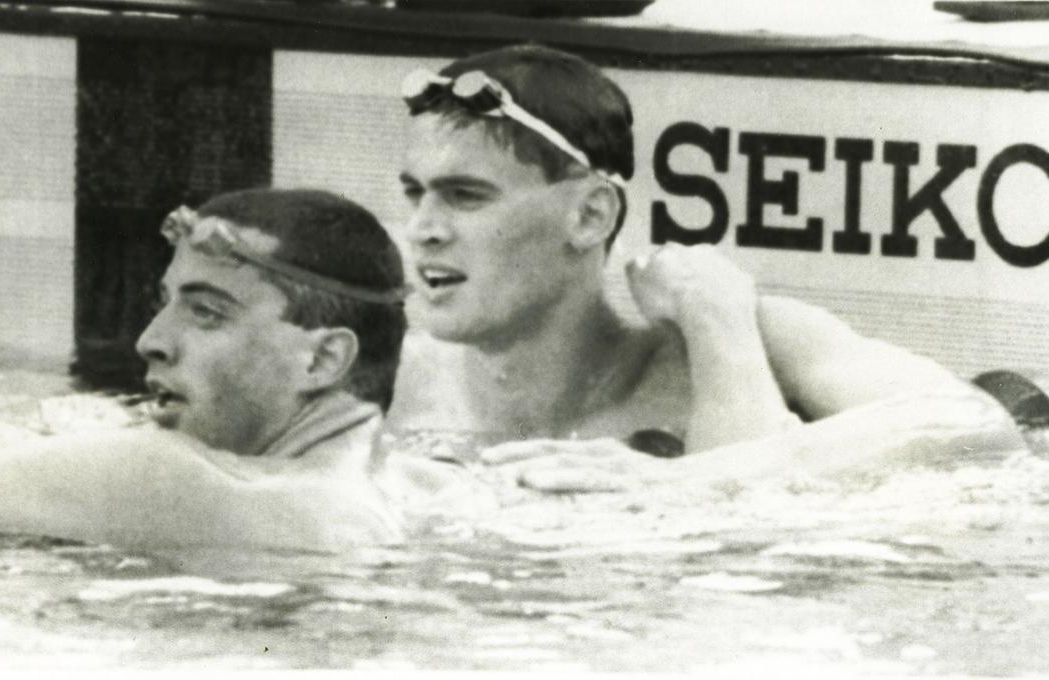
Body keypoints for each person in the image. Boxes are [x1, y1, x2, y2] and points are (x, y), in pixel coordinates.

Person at [387, 44, 1016, 462]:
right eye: (415, 195)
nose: (423, 229)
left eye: (466, 197)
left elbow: (984, 435)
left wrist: (721, 326)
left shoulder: (747, 340)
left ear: (589, 214)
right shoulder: (383, 381)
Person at [0, 188, 409, 552]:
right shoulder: (410, 488)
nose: (150, 341)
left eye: (207, 312)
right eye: (164, 303)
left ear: (322, 359)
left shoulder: (170, 480)